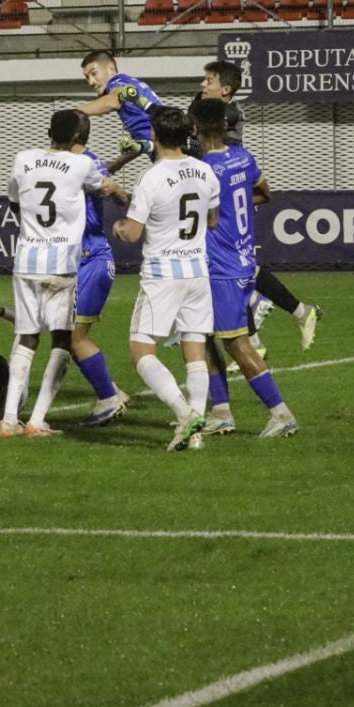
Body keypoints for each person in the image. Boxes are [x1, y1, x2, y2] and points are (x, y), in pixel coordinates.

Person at [0, 109, 123, 437]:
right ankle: (37, 421)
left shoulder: (23, 158)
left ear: (49, 131)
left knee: (26, 337)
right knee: (64, 339)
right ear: (79, 138)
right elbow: (106, 187)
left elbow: (14, 203)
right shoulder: (81, 164)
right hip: (62, 261)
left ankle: (8, 420)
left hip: (26, 260)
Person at [109, 105, 220, 450]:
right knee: (195, 352)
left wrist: (118, 227)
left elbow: (132, 234)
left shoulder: (152, 177)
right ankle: (196, 433)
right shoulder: (206, 171)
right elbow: (213, 221)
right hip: (197, 271)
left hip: (163, 273)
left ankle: (184, 414)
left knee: (141, 351)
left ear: (154, 135)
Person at [192, 60, 321, 349]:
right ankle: (292, 316)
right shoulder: (221, 120)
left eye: (209, 81)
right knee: (242, 267)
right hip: (231, 192)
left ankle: (255, 324)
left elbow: (201, 138)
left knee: (225, 269)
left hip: (223, 195)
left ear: (225, 89)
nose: (203, 85)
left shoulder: (226, 116)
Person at [194, 99, 299, 438]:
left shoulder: (204, 169)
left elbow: (205, 219)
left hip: (222, 268)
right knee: (203, 336)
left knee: (237, 344)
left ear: (197, 128)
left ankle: (281, 414)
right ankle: (221, 411)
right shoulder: (243, 157)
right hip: (243, 261)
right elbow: (264, 194)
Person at [77, 49, 166, 166]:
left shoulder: (117, 82)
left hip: (168, 156)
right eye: (87, 77)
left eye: (94, 74)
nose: (91, 82)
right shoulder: (130, 84)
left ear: (111, 68)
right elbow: (142, 142)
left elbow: (112, 102)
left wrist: (73, 112)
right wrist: (116, 165)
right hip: (166, 153)